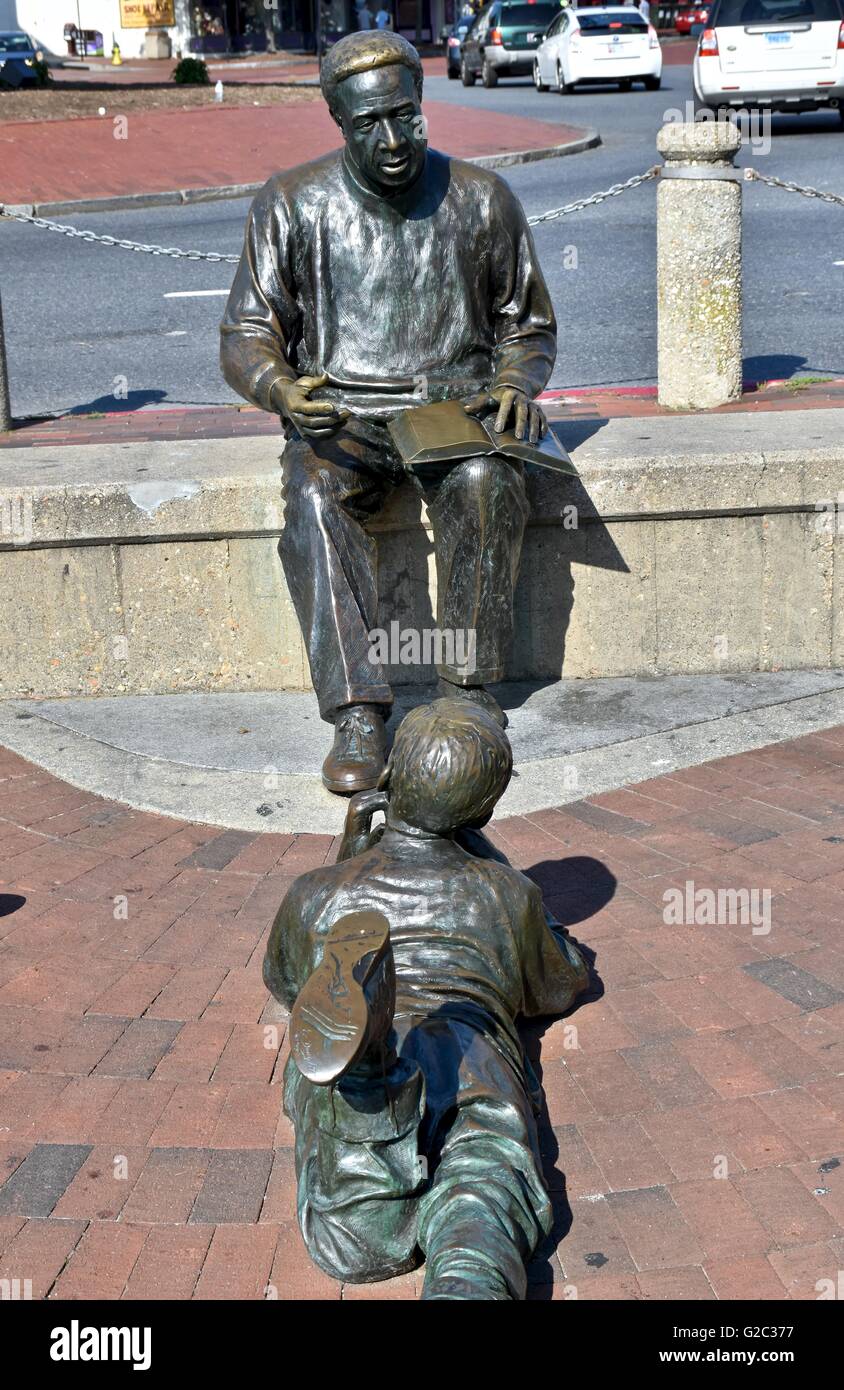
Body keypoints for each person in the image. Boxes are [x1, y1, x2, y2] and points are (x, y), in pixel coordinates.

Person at [220, 31, 555, 796]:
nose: (394, 139)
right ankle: (358, 710)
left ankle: (468, 694)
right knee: (311, 495)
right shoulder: (291, 203)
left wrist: (515, 381)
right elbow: (247, 331)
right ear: (340, 120)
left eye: (405, 115)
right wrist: (278, 387)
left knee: (487, 482)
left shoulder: (481, 198)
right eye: (370, 123)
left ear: (423, 105)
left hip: (454, 411)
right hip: (344, 418)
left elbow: (527, 326)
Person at [263, 699, 589, 1299]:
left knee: (355, 1238)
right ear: (485, 810)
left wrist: (352, 855)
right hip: (473, 1056)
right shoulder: (506, 894)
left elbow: (287, 983)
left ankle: (368, 1075)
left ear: (386, 780)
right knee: (483, 1190)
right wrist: (491, 859)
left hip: (381, 1043)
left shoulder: (314, 893)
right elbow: (560, 986)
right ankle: (467, 1280)